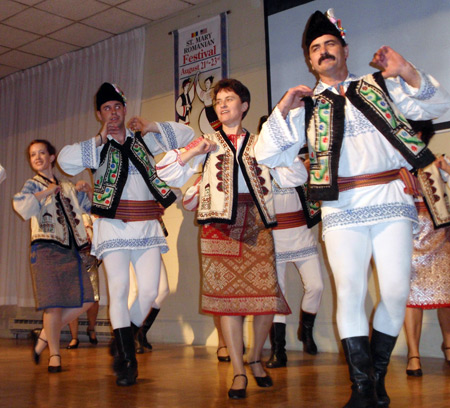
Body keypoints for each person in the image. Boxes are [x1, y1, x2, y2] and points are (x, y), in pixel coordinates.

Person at [255, 9, 450, 408]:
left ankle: (374, 381)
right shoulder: (305, 107)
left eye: (330, 44)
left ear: (345, 49)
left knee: (396, 292)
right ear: (310, 61)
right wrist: (282, 108)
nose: (324, 52)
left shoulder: (380, 85)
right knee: (350, 291)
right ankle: (363, 389)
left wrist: (407, 70)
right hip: (341, 208)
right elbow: (266, 152)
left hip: (391, 201)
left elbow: (436, 105)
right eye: (315, 49)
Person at [157, 78, 294, 399]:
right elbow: (165, 172)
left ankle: (256, 358)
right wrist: (192, 150)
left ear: (244, 106)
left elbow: (293, 175)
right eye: (218, 100)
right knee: (227, 302)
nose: (222, 104)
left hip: (257, 223)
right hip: (217, 225)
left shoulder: (261, 143)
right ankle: (237, 369)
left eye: (229, 99)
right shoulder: (205, 143)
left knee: (265, 298)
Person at [57, 82, 194, 386]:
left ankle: (123, 340)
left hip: (146, 224)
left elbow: (187, 136)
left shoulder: (144, 140)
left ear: (125, 109)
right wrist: (98, 138)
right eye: (107, 108)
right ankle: (128, 362)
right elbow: (65, 162)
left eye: (118, 106)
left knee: (149, 292)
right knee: (118, 290)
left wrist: (152, 125)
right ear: (99, 113)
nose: (114, 113)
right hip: (114, 225)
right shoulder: (96, 147)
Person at [13, 139, 95, 373]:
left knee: (87, 299)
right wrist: (47, 192)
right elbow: (22, 207)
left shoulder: (68, 185)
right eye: (32, 155)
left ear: (52, 157)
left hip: (71, 250)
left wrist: (86, 191)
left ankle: (44, 337)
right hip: (46, 249)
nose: (37, 157)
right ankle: (55, 355)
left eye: (41, 153)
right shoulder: (32, 185)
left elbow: (88, 211)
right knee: (53, 305)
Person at [255, 116, 324, 368]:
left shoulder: (298, 159)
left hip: (301, 233)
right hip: (273, 237)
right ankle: (278, 350)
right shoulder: (258, 164)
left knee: (315, 286)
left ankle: (306, 330)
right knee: (278, 295)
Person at [404, 121, 450, 377]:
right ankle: (414, 354)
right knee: (412, 299)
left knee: (445, 295)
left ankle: (449, 345)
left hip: (438, 236)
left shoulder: (436, 162)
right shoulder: (393, 165)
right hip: (408, 238)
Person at [129, 259, 170, 353]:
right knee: (135, 291)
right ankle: (133, 337)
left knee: (163, 290)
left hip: (153, 246)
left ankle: (140, 332)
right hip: (129, 247)